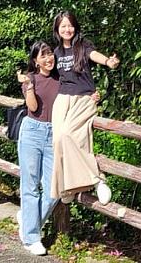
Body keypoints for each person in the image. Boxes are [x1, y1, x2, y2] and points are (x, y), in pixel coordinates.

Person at [16, 41, 100, 256]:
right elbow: (33, 107)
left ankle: (28, 219)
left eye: (49, 55)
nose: (48, 59)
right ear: (35, 60)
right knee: (30, 186)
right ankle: (32, 238)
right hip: (32, 132)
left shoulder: (62, 79)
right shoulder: (30, 79)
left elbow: (76, 93)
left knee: (54, 190)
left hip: (54, 133)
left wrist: (89, 97)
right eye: (42, 56)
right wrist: (29, 86)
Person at [50, 11, 119, 206]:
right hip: (62, 99)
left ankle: (97, 180)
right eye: (63, 26)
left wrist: (107, 61)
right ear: (57, 29)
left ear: (75, 27)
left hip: (83, 98)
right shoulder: (56, 53)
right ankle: (67, 186)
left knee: (68, 135)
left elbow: (94, 55)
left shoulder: (83, 46)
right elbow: (47, 73)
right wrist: (27, 79)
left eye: (70, 25)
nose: (67, 29)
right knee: (57, 141)